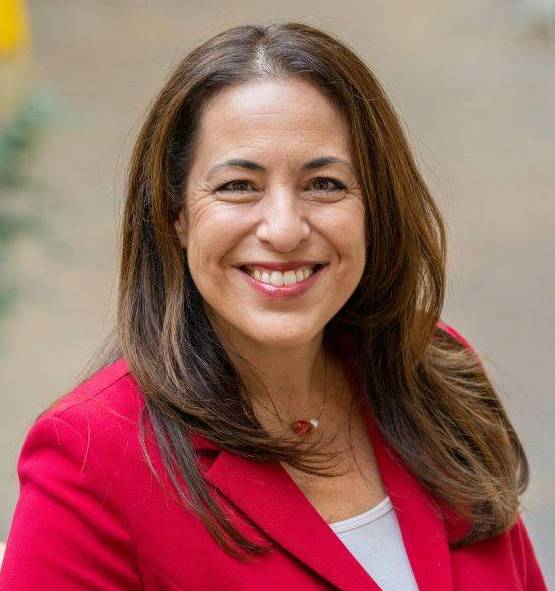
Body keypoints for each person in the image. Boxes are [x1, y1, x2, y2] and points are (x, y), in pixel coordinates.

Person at [0, 22, 548, 591]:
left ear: (374, 208)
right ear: (176, 216)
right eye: (239, 185)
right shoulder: (90, 456)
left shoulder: (436, 375)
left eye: (325, 184)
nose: (284, 230)